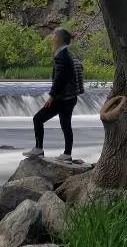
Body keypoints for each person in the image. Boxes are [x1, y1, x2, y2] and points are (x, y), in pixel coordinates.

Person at [23, 28, 83, 161]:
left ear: (59, 40)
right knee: (66, 125)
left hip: (62, 98)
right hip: (70, 97)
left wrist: (52, 96)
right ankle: (67, 154)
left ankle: (39, 149)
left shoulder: (62, 56)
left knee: (38, 119)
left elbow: (60, 79)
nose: (52, 39)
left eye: (54, 37)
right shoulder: (67, 54)